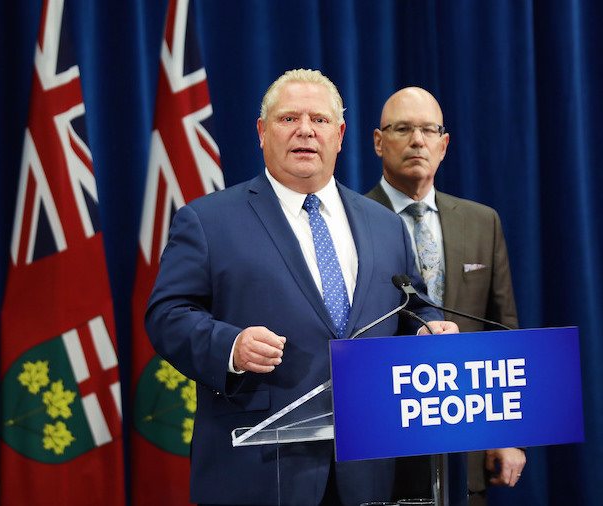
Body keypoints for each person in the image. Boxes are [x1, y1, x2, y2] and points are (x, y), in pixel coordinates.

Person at [145, 69, 459, 506]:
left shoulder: (384, 224)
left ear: (341, 134)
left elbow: (414, 306)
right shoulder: (208, 220)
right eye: (288, 119)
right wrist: (230, 345)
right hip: (259, 471)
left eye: (320, 120)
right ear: (262, 131)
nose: (305, 131)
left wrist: (429, 327)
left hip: (367, 467)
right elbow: (167, 314)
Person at [366, 86, 526, 505]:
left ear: (443, 143)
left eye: (427, 130)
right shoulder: (351, 223)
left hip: (466, 441)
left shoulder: (481, 222)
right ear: (379, 142)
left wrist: (505, 434)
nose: (417, 140)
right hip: (384, 439)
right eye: (402, 129)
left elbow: (502, 331)